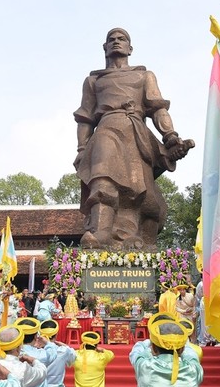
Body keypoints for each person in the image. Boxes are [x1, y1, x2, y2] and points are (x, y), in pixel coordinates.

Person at [74, 28, 193, 249]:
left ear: (130, 48)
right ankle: (100, 233)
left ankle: (139, 240)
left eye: (122, 39)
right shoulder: (94, 81)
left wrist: (170, 136)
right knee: (103, 180)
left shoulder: (144, 76)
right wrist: (82, 150)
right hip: (106, 131)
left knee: (145, 197)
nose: (116, 42)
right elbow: (85, 118)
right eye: (111, 40)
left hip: (136, 135)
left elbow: (157, 108)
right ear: (105, 47)